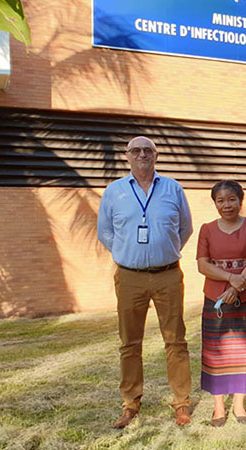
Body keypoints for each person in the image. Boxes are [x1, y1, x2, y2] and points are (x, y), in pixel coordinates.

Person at [97, 136, 193, 428]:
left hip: (167, 274)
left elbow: (185, 228)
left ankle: (181, 404)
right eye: (136, 150)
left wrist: (163, 250)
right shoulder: (114, 191)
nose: (142, 155)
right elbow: (105, 232)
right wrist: (129, 254)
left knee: (175, 340)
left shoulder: (172, 188)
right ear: (127, 156)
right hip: (129, 277)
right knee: (129, 343)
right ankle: (130, 403)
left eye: (147, 150)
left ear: (156, 155)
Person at [196, 180, 246, 427]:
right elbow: (202, 265)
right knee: (216, 352)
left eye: (231, 199)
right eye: (221, 200)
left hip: (245, 296)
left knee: (244, 351)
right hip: (215, 298)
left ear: (240, 200)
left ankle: (238, 405)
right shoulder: (206, 229)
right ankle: (217, 408)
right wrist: (229, 279)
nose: (227, 205)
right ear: (215, 203)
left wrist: (237, 287)